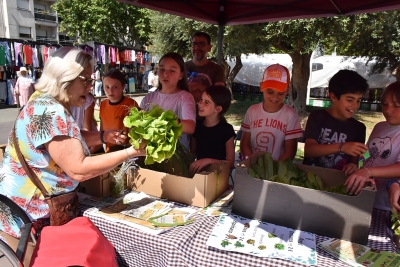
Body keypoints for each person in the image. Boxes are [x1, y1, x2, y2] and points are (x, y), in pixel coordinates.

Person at [0, 47, 145, 266]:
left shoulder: (45, 101)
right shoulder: (49, 110)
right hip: (29, 219)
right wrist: (131, 152)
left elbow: (67, 141)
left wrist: (103, 136)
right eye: (86, 81)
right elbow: (78, 167)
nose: (90, 88)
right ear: (65, 79)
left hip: (27, 213)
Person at [345, 81, 400, 211]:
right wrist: (358, 165)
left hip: (386, 204)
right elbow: (367, 153)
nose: (388, 110)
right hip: (365, 196)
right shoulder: (379, 126)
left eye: (396, 106)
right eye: (385, 104)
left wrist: (368, 172)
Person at [303, 70, 369, 174]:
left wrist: (353, 165)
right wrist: (342, 147)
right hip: (309, 177)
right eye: (350, 100)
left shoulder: (359, 128)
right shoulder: (317, 117)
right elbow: (309, 150)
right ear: (333, 96)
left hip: (338, 183)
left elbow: (354, 161)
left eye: (358, 100)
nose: (355, 105)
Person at [240, 64, 303, 161]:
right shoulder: (252, 111)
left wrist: (275, 171)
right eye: (270, 92)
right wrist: (252, 164)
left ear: (287, 91)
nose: (275, 97)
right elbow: (244, 144)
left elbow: (290, 151)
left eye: (280, 93)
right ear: (261, 87)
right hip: (253, 168)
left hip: (277, 172)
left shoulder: (290, 114)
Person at [140, 52, 196, 148]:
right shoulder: (148, 98)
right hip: (151, 152)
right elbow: (139, 124)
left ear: (181, 75)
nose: (165, 74)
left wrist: (164, 121)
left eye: (172, 70)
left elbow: (190, 127)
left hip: (177, 156)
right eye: (162, 69)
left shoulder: (185, 97)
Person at [189, 85, 235, 173]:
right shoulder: (197, 126)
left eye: (206, 102)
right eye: (201, 99)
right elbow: (192, 154)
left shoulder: (227, 130)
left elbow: (231, 163)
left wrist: (208, 161)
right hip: (199, 175)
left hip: (219, 175)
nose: (200, 104)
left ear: (218, 109)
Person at [100, 69, 139, 153]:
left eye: (115, 87)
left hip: (127, 151)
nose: (110, 91)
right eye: (107, 87)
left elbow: (137, 132)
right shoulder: (102, 104)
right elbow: (102, 130)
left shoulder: (131, 104)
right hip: (109, 151)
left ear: (123, 87)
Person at [185, 32, 226, 102]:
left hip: (208, 112)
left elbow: (219, 95)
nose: (197, 47)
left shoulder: (217, 70)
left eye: (201, 44)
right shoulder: (181, 67)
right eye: (194, 44)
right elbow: (173, 90)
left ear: (209, 48)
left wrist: (196, 85)